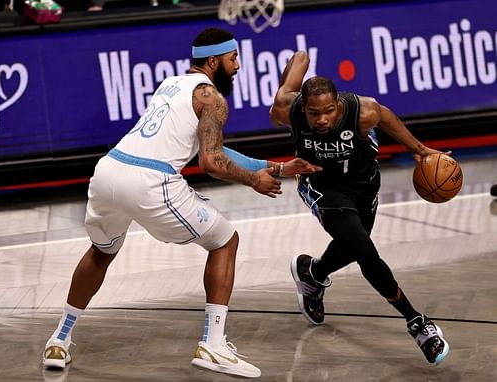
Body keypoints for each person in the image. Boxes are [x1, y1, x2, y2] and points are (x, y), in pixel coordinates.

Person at [42, 29, 321, 379]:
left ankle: (59, 338)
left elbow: (210, 147)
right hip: (149, 183)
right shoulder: (212, 98)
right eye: (234, 59)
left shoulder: (171, 83)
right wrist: (254, 180)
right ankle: (213, 345)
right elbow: (210, 161)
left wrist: (274, 167)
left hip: (109, 171)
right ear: (214, 61)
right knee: (225, 240)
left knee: (101, 252)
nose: (238, 67)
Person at [269, 51, 450, 366]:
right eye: (314, 114)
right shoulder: (288, 110)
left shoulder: (362, 111)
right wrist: (297, 61)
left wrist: (419, 150)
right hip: (321, 185)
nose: (321, 119)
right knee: (365, 251)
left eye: (328, 111)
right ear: (304, 110)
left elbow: (387, 117)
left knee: (352, 246)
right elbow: (292, 76)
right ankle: (417, 323)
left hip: (364, 185)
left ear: (338, 104)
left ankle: (312, 273)